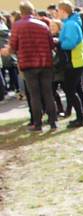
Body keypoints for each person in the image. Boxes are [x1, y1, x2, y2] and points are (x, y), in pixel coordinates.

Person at [1, 0, 57, 131]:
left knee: (34, 95)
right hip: (45, 63)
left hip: (28, 64)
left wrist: (6, 51)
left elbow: (13, 46)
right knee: (48, 93)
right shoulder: (43, 25)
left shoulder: (17, 26)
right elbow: (51, 44)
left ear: (21, 12)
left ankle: (37, 124)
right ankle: (53, 122)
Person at [56, 0, 83, 127]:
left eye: (58, 10)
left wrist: (58, 42)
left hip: (73, 61)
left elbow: (69, 44)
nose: (57, 13)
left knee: (69, 90)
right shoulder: (72, 23)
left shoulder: (70, 24)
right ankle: (82, 115)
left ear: (63, 11)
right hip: (76, 60)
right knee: (77, 89)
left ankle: (80, 118)